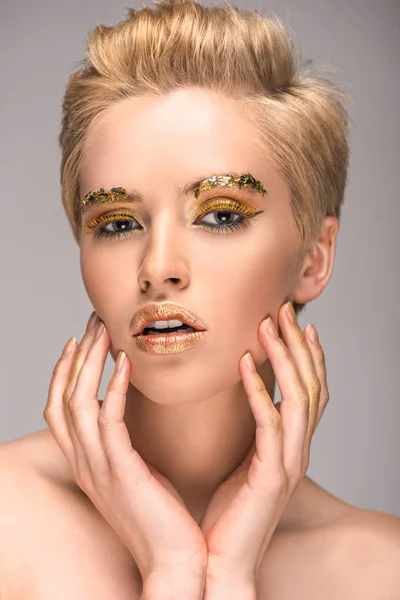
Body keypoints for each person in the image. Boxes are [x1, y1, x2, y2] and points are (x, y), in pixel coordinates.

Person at [1, 0, 399, 598]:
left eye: (218, 215)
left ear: (314, 258)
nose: (158, 269)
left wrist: (227, 577)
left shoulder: (381, 571)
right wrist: (170, 569)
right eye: (115, 224)